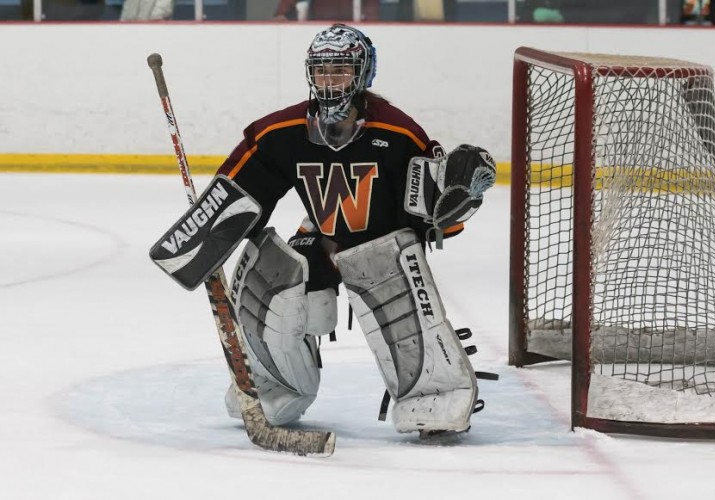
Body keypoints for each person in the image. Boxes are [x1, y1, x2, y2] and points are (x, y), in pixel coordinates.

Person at [151, 24, 496, 437]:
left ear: (363, 73)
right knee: (272, 274)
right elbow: (240, 192)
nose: (330, 81)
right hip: (322, 234)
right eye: (321, 70)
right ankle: (274, 387)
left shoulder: (398, 132)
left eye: (341, 70)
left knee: (392, 291)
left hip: (383, 245)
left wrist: (461, 201)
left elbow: (433, 216)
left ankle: (435, 394)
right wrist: (205, 236)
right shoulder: (282, 132)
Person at [273, 0, 379, 21]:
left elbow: (371, 10)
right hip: (318, 25)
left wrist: (371, 22)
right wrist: (282, 13)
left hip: (351, 26)